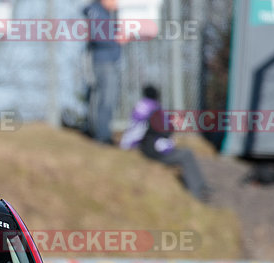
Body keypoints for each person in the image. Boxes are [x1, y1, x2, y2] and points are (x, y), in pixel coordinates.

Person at [120, 85, 211, 201]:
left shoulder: (140, 107)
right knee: (186, 154)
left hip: (146, 147)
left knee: (185, 153)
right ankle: (197, 192)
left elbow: (138, 131)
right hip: (153, 151)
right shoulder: (154, 109)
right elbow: (163, 131)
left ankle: (200, 186)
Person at [84, 0, 121, 144]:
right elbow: (97, 35)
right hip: (102, 61)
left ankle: (103, 133)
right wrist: (116, 38)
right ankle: (101, 135)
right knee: (105, 98)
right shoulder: (96, 11)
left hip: (108, 60)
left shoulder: (104, 13)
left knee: (107, 97)